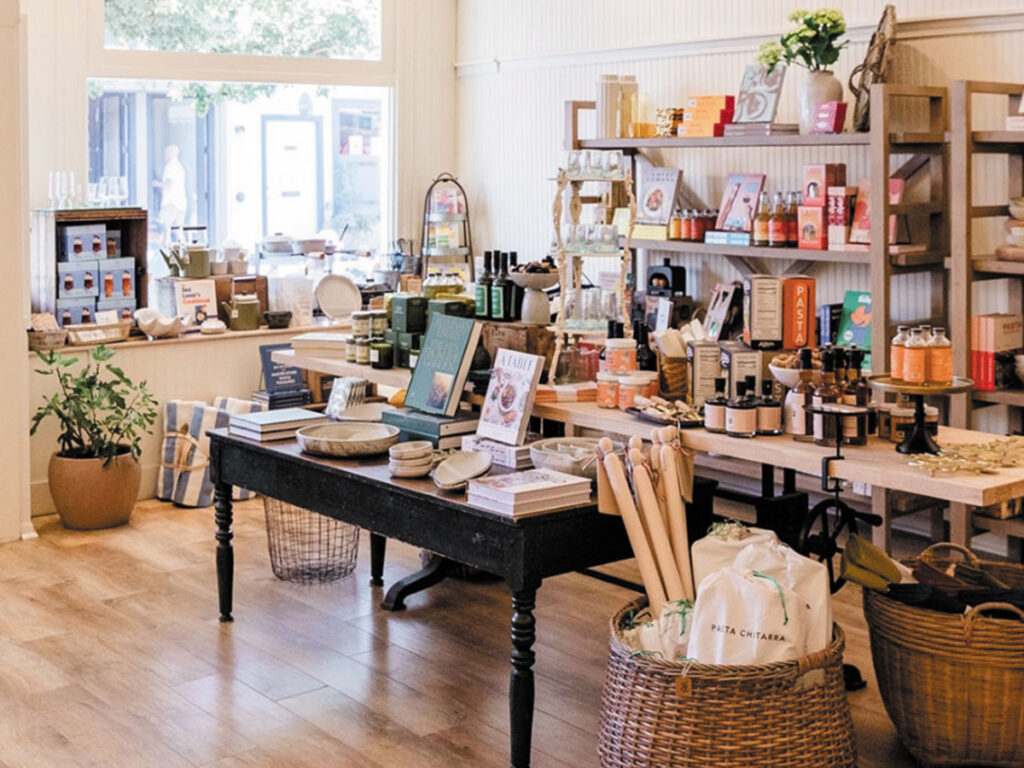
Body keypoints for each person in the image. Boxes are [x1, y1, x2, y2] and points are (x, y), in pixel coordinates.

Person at [154, 144, 187, 245]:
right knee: (178, 232)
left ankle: (162, 249)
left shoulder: (170, 166)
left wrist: (156, 184)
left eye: (166, 153)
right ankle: (183, 249)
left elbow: (169, 184)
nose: (164, 155)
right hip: (181, 204)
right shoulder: (179, 166)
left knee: (162, 228)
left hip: (171, 203)